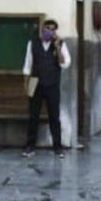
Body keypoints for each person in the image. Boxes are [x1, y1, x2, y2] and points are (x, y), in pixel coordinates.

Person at [22, 19, 71, 158]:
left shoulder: (61, 44)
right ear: (43, 29)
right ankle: (30, 146)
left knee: (54, 116)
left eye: (53, 29)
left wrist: (57, 47)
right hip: (34, 82)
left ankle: (57, 147)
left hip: (52, 84)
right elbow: (27, 65)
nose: (50, 31)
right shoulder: (32, 44)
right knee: (33, 116)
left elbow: (64, 64)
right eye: (48, 28)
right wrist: (25, 84)